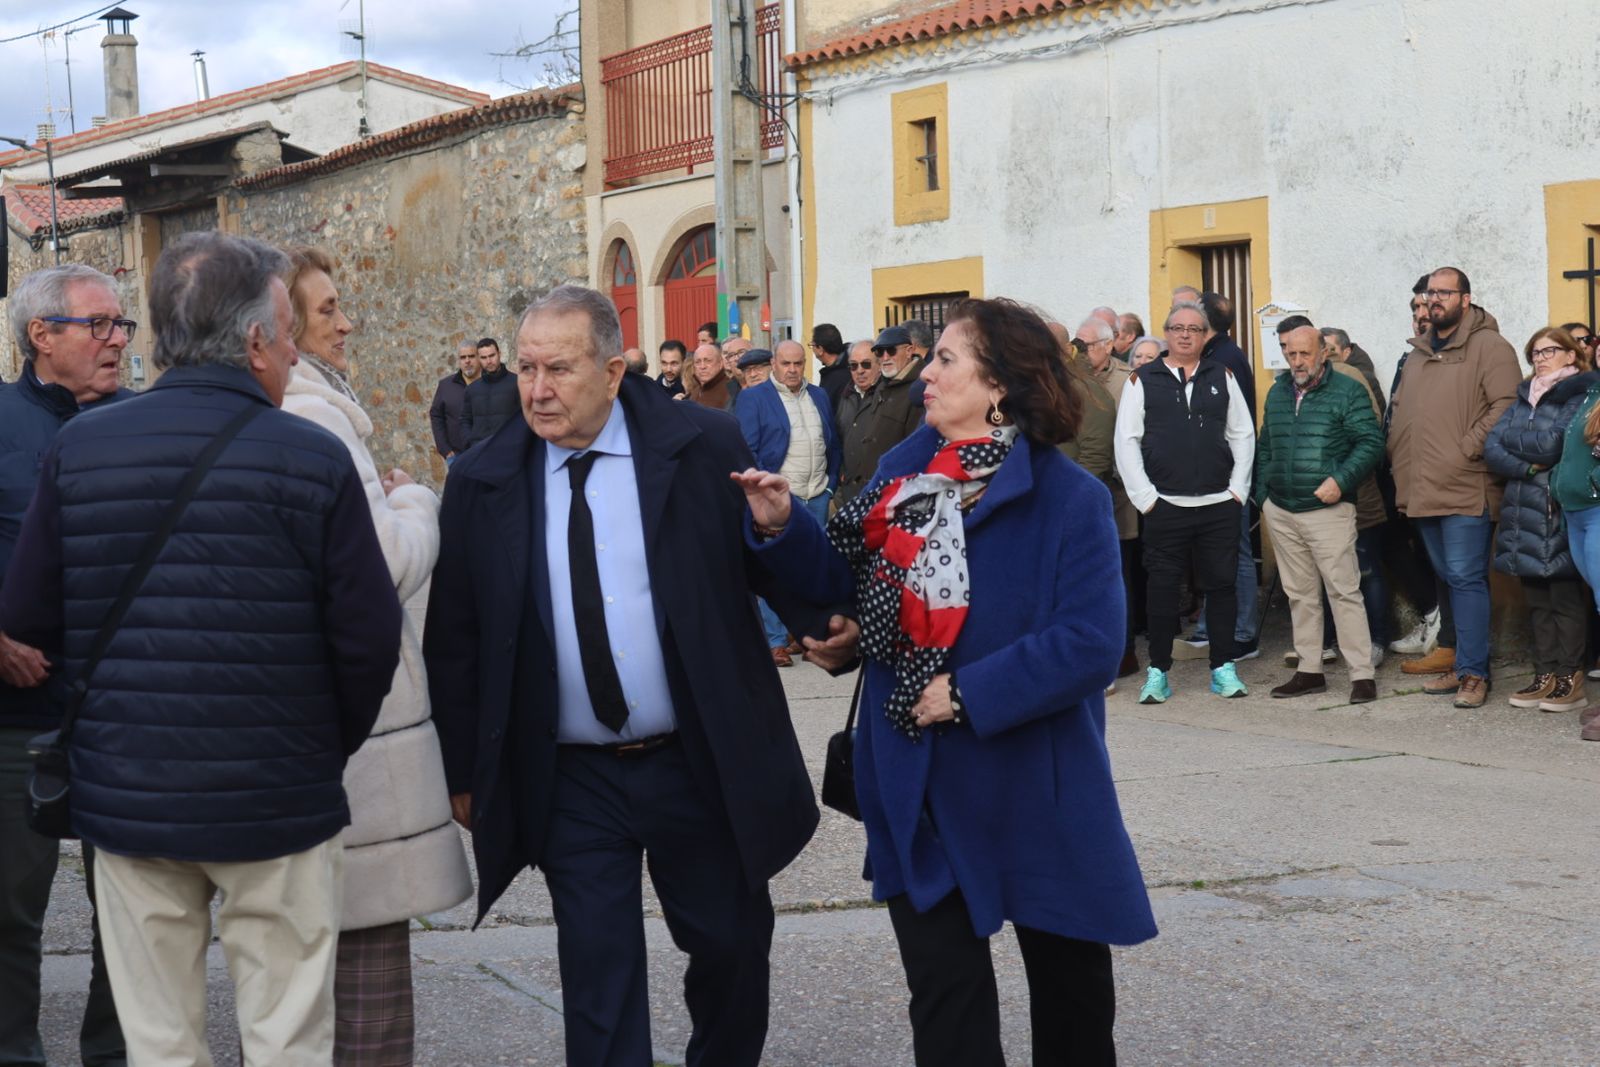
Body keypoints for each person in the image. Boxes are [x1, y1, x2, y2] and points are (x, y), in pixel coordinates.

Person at [0, 231, 402, 1065]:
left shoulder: (80, 450)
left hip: (130, 795)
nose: (295, 350)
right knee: (287, 1034)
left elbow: (29, 614)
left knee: (157, 1041)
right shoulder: (314, 457)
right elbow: (367, 641)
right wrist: (318, 745)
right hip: (279, 797)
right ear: (256, 340)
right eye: (288, 330)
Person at [736, 296, 1156, 1066]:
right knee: (947, 1004)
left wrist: (969, 693)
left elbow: (1092, 641)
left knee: (1072, 1004)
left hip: (1036, 783)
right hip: (919, 780)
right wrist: (779, 524)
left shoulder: (1072, 500)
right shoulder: (905, 472)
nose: (925, 372)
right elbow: (843, 581)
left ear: (999, 385)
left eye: (946, 360)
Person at [423, 285, 824, 1066]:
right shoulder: (483, 479)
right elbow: (457, 637)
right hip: (572, 776)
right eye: (529, 367)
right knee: (598, 976)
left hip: (695, 758)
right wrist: (467, 765)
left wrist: (783, 533)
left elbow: (787, 579)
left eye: (559, 369)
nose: (537, 389)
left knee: (731, 947)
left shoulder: (700, 446)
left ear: (612, 371)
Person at [281, 247, 474, 1064]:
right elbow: (385, 560)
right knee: (368, 997)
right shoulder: (313, 412)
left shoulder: (315, 402)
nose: (347, 321)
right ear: (281, 327)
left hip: (326, 738)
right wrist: (414, 499)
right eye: (327, 309)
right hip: (360, 746)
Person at [0, 265, 130, 1067]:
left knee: (130, 908)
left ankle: (115, 1052)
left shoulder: (138, 425)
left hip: (122, 715)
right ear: (42, 335)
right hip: (17, 720)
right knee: (12, 911)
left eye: (124, 325)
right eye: (101, 325)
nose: (119, 341)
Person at [1387, 267, 1521, 708]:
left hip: (1466, 485)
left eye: (1445, 292)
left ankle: (1474, 674)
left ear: (1466, 298)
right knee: (1447, 579)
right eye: (1431, 293)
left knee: (1465, 579)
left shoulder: (1490, 347)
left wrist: (1467, 448)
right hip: (1422, 485)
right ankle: (1461, 661)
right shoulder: (1421, 353)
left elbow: (1506, 405)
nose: (1435, 299)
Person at [1115, 302, 1255, 702]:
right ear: (1167, 333)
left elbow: (1242, 434)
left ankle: (1223, 667)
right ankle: (1158, 671)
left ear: (1205, 335)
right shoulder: (1143, 379)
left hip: (1218, 505)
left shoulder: (1222, 375)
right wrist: (1146, 498)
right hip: (1165, 506)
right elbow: (1126, 441)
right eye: (1177, 328)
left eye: (1194, 328)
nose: (1185, 335)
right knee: (1162, 589)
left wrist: (1236, 491)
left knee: (1222, 586)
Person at [1255, 326, 1385, 703]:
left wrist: (1341, 482)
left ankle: (1361, 675)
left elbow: (1371, 442)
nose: (1296, 362)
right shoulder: (1278, 392)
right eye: (1290, 354)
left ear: (1323, 353)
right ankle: (1309, 669)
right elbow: (1266, 445)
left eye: (1304, 354)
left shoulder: (1347, 390)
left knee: (1343, 591)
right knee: (1300, 594)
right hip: (1282, 508)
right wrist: (1265, 494)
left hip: (1328, 508)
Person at [1485, 328, 1598, 713]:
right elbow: (1492, 447)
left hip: (1558, 505)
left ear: (1570, 355)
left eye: (1550, 350)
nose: (1540, 358)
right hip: (1522, 507)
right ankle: (1545, 672)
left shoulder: (1578, 393)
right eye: (1534, 352)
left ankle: (1570, 676)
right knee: (1535, 595)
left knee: (1564, 595)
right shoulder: (1523, 394)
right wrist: (1529, 469)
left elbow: (1555, 444)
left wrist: (1524, 449)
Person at [736, 340, 843, 664]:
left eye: (798, 363)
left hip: (816, 495)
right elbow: (747, 449)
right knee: (775, 567)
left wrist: (830, 486)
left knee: (813, 569)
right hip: (781, 496)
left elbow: (832, 443)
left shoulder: (819, 395)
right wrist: (764, 491)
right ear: (774, 363)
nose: (793, 370)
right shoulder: (754, 398)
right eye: (786, 364)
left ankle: (805, 635)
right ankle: (776, 641)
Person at [1181, 290, 1261, 660]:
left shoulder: (1225, 359)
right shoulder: (1217, 354)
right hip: (1211, 472)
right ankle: (1210, 629)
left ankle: (1244, 635)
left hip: (1227, 474)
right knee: (1216, 553)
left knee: (1236, 553)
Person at [1385, 282, 1455, 671]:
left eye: (1426, 308)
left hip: (1439, 475)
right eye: (1414, 309)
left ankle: (1447, 635)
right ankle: (1434, 619)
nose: (1420, 315)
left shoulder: (1452, 357)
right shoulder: (1408, 357)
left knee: (1446, 561)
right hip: (1404, 471)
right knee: (1401, 543)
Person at [1071, 319, 1140, 677]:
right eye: (1076, 344)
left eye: (1086, 345)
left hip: (1117, 490)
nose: (1079, 352)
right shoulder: (1072, 379)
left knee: (1119, 571)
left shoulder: (1127, 379)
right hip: (1085, 488)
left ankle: (1125, 650)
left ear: (1109, 345)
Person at [836, 339, 921, 504]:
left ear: (878, 364)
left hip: (881, 492)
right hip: (848, 493)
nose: (859, 371)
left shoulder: (889, 395)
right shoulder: (846, 395)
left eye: (866, 364)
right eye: (853, 366)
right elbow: (838, 437)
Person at [461, 336, 519, 447]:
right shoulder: (471, 389)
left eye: (492, 355)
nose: (489, 361)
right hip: (479, 452)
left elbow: (525, 418)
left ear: (499, 354)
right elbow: (465, 420)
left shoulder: (517, 383)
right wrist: (470, 442)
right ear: (478, 359)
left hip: (509, 450)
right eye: (484, 357)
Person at [430, 342, 480, 464]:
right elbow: (436, 416)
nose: (467, 361)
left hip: (486, 455)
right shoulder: (446, 385)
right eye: (463, 357)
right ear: (459, 361)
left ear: (479, 357)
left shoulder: (490, 383)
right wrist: (445, 450)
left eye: (471, 356)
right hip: (457, 457)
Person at [685, 341, 739, 411]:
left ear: (720, 363)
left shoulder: (731, 389)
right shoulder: (695, 392)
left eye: (708, 361)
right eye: (698, 362)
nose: (702, 366)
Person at [810, 322, 851, 407]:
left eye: (812, 345)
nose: (812, 349)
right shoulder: (848, 364)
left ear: (820, 349)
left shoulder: (837, 377)